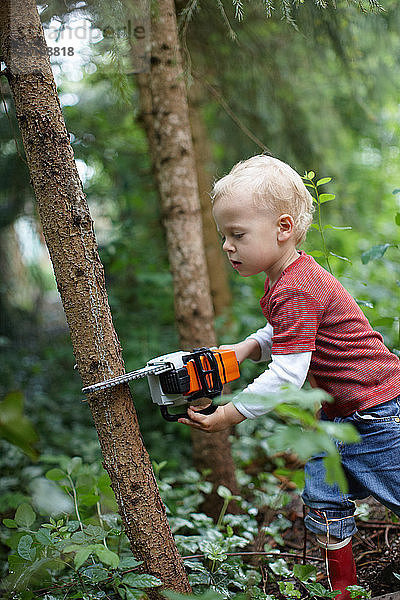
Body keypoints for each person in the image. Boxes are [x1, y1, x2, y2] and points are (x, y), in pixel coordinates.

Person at [178, 155, 400, 599]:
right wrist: (244, 350)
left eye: (237, 235)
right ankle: (345, 589)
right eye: (224, 235)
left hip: (376, 412)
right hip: (344, 418)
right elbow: (285, 330)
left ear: (282, 228)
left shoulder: (297, 286)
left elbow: (286, 374)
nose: (227, 246)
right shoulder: (287, 278)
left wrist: (231, 414)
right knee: (323, 497)